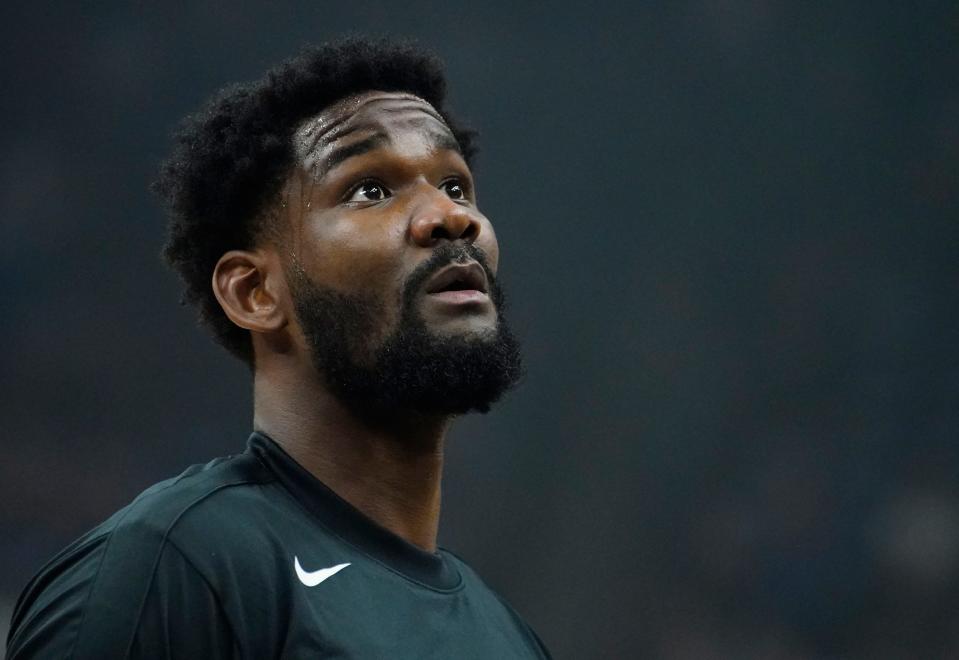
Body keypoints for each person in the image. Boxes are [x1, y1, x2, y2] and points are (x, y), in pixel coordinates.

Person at [6, 37, 550, 659]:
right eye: (370, 189)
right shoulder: (178, 569)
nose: (451, 218)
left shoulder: (510, 639)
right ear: (256, 291)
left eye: (456, 186)